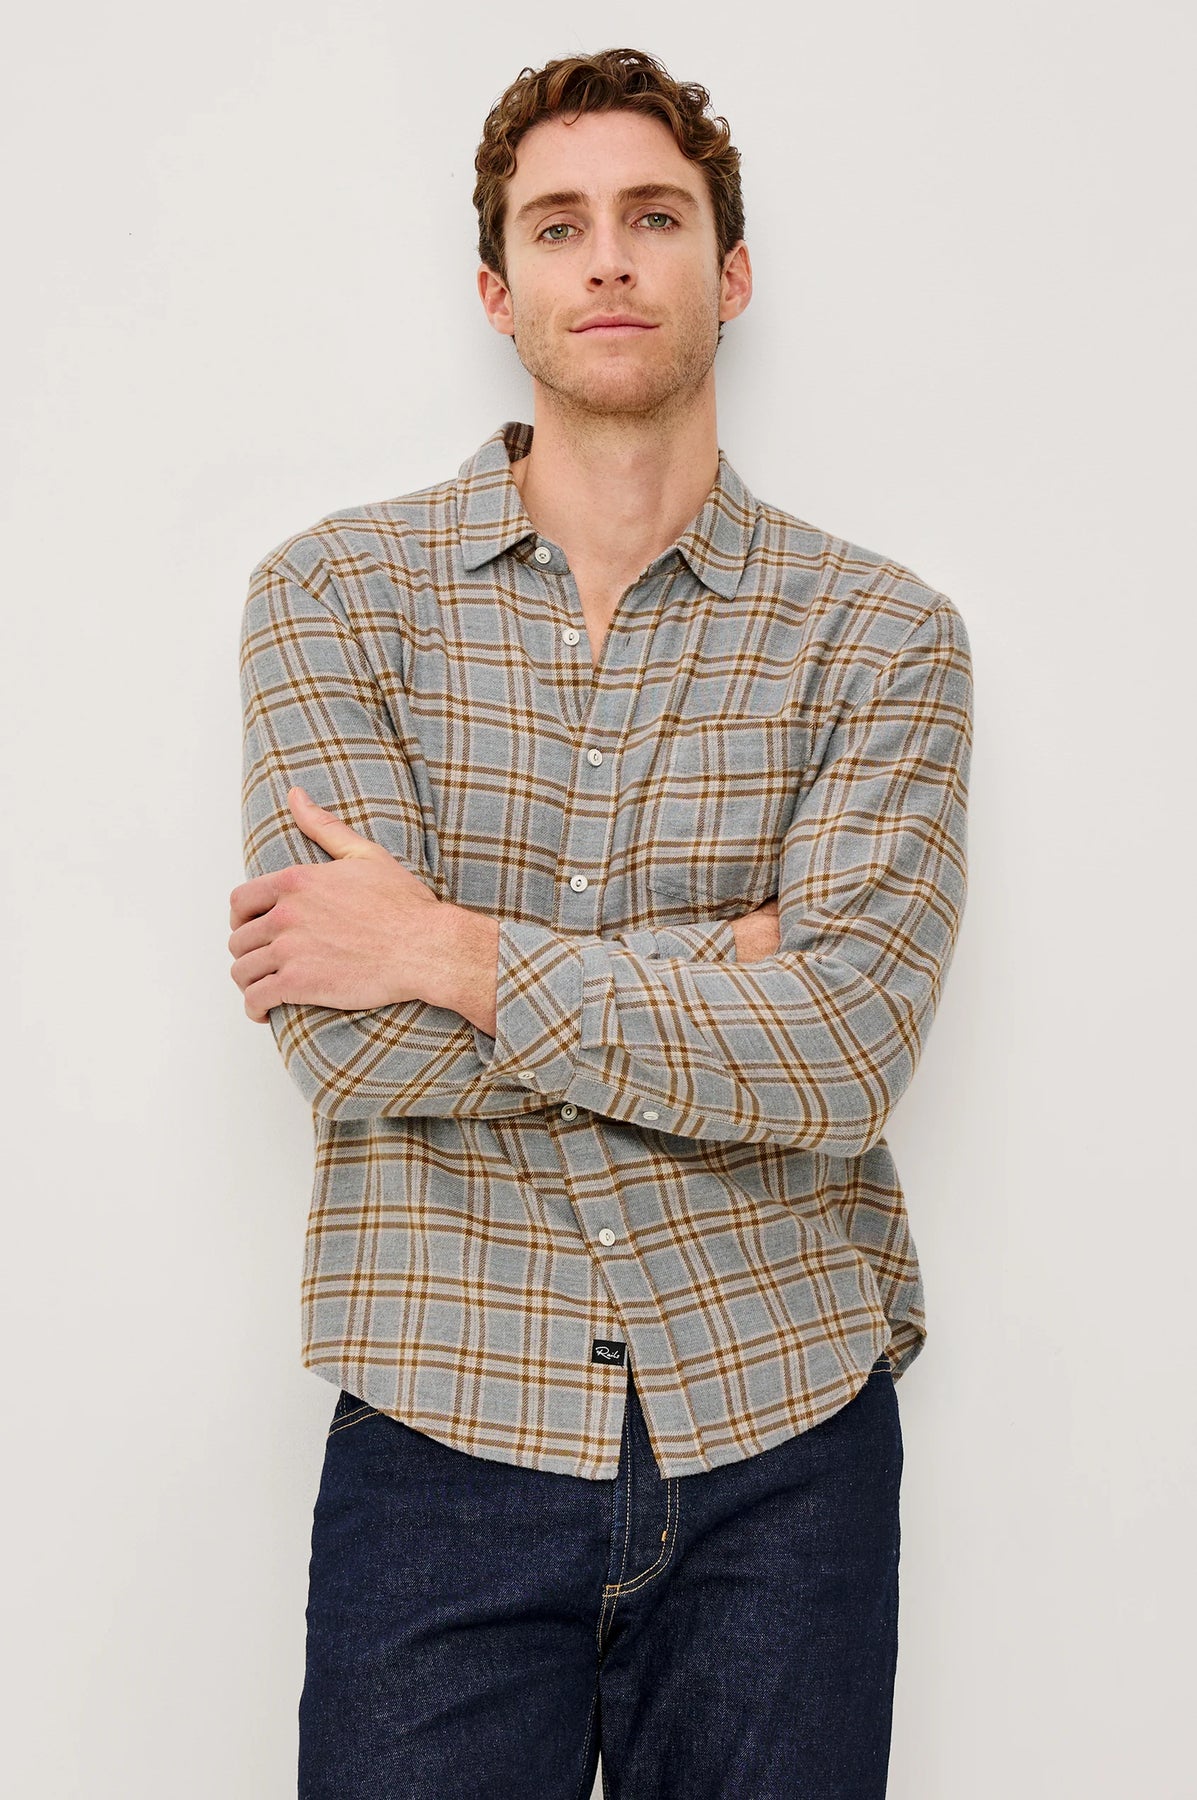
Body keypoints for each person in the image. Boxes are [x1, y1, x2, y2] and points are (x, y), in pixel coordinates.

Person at [229, 44, 973, 1800]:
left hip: (782, 1434)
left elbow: (844, 1056)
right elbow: (346, 1043)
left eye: (655, 216)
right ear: (499, 291)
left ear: (730, 271)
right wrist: (728, 971)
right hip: (441, 1416)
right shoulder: (335, 598)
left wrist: (449, 949)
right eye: (558, 227)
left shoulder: (880, 637)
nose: (609, 258)